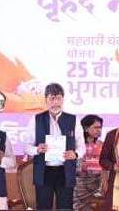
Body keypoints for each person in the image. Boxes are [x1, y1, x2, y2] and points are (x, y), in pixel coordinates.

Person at [28, 82, 86, 210]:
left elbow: (82, 147)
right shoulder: (36, 119)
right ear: (46, 100)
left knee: (65, 207)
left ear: (63, 100)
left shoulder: (73, 120)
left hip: (65, 171)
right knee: (43, 207)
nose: (55, 102)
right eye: (52, 98)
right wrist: (37, 149)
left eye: (58, 98)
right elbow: (26, 147)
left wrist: (75, 154)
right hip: (44, 172)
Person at [73, 114, 105, 211]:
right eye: (96, 127)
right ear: (86, 128)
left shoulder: (102, 145)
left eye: (100, 127)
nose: (99, 130)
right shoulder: (76, 145)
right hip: (80, 184)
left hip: (97, 184)